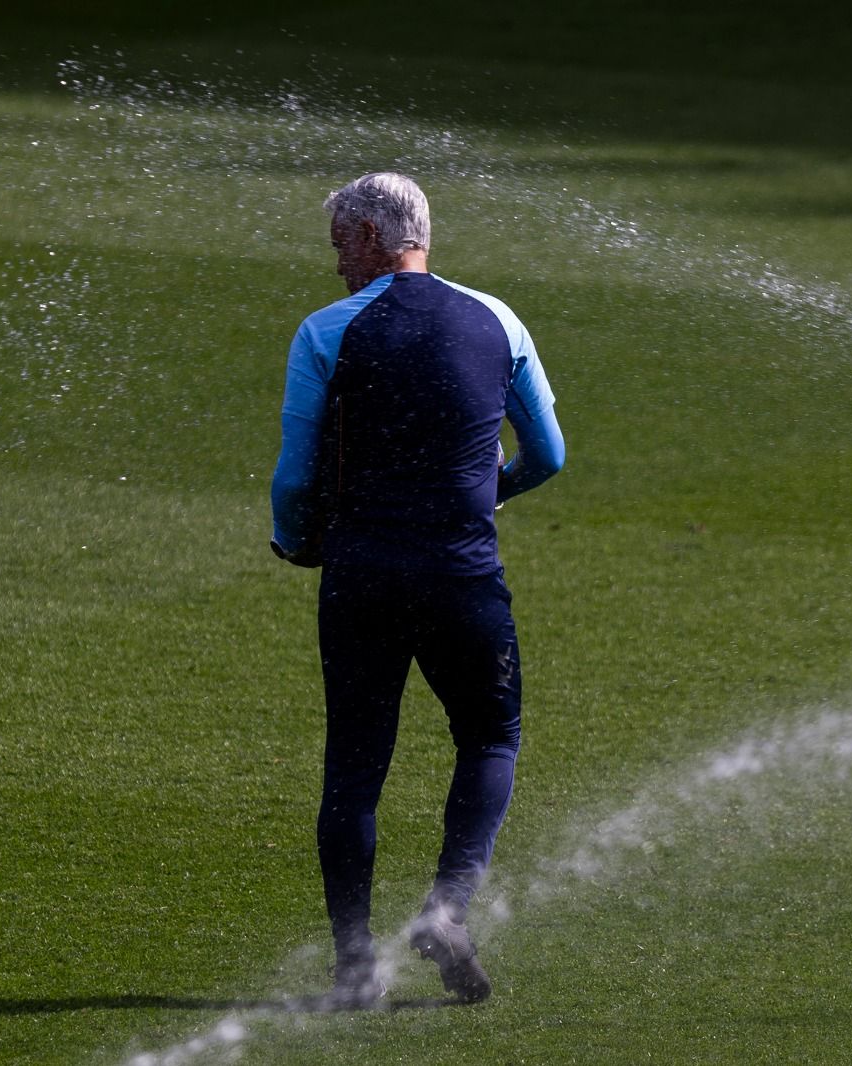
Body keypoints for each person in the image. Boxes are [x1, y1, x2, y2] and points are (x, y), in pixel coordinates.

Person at [269, 171, 565, 1007]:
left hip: (361, 577)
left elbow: (294, 482)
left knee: (355, 769)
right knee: (490, 736)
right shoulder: (498, 320)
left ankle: (356, 967)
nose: (336, 266)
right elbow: (549, 456)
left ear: (370, 235)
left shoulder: (327, 332)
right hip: (463, 576)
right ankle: (447, 906)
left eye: (339, 246)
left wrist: (298, 545)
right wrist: (477, 497)